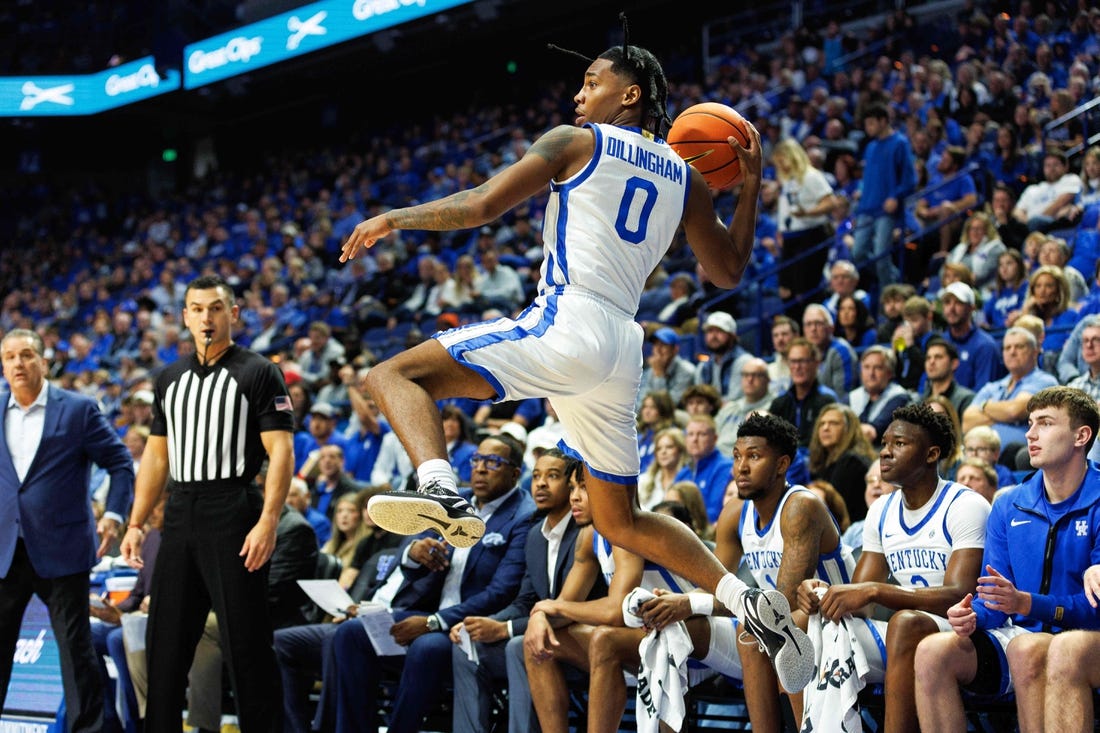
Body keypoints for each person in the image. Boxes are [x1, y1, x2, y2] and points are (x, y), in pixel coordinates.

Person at [340, 37, 811, 688]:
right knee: (623, 519)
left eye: (591, 82)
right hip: (622, 342)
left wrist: (396, 218)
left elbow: (480, 206)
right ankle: (747, 601)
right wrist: (751, 186)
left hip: (568, 317)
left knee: (392, 375)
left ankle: (444, 494)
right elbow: (727, 269)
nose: (577, 94)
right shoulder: (689, 176)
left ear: (631, 93)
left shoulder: (574, 141)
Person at [588, 413, 856, 733]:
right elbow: (721, 585)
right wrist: (682, 600)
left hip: (843, 620)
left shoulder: (801, 507)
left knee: (762, 631)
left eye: (754, 456)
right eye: (737, 456)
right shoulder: (734, 513)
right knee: (750, 632)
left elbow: (781, 603)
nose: (741, 467)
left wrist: (690, 604)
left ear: (782, 464)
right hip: (785, 624)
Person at [119, 274, 296, 733]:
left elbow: (281, 451)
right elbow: (157, 456)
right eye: (197, 309)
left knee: (247, 646)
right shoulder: (168, 378)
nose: (206, 317)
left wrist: (268, 520)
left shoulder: (258, 371)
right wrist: (137, 523)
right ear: (184, 316)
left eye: (215, 308)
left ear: (233, 314)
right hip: (180, 512)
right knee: (165, 645)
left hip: (234, 508)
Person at [914, 387, 1100, 732]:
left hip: (1083, 635)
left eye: (1045, 423)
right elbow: (995, 604)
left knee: (1036, 648)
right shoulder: (1009, 503)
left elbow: (1095, 609)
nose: (1030, 434)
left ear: (1081, 435)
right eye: (1030, 423)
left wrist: (1028, 603)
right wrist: (971, 615)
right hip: (1019, 635)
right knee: (933, 651)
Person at [796, 403, 990, 733]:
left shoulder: (966, 505)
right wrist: (824, 596)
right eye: (885, 443)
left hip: (964, 634)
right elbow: (859, 601)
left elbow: (960, 595)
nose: (885, 452)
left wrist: (875, 591)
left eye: (899, 444)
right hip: (903, 635)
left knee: (906, 622)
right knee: (802, 624)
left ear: (931, 454)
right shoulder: (881, 510)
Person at [329, 434, 536, 733]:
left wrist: (432, 622)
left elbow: (501, 592)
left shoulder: (523, 517)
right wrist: (414, 555)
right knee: (351, 633)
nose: (480, 468)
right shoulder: (455, 501)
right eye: (477, 459)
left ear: (515, 473)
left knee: (426, 648)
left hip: (473, 624)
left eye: (493, 462)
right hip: (427, 610)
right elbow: (410, 558)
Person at [0, 328, 134, 733]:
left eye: (27, 355)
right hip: (7, 548)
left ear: (44, 361)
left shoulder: (77, 409)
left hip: (62, 550)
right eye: (9, 357)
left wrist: (113, 514)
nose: (18, 364)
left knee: (76, 651)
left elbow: (121, 463)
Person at [450, 450, 601, 733]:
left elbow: (568, 608)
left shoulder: (586, 531)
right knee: (466, 642)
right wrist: (488, 624)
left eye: (553, 476)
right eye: (536, 476)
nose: (541, 484)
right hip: (541, 631)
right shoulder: (535, 535)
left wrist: (505, 629)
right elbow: (525, 602)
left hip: (579, 639)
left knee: (518, 646)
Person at [962, 327, 1059, 453]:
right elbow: (967, 422)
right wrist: (1005, 416)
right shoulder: (992, 387)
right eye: (1007, 348)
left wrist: (985, 405)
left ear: (1035, 352)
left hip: (1021, 456)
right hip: (980, 456)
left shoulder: (1045, 381)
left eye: (1019, 346)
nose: (1012, 352)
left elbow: (1014, 411)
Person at [851, 104, 917, 288]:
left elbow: (910, 179)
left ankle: (890, 291)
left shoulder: (900, 143)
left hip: (885, 211)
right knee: (857, 253)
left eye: (872, 123)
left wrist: (895, 196)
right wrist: (861, 197)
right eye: (866, 124)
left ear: (884, 121)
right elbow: (868, 178)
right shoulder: (870, 147)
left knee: (881, 254)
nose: (868, 128)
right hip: (866, 208)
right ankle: (893, 278)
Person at [773, 137, 838, 309]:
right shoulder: (788, 180)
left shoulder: (811, 176)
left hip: (810, 235)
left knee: (805, 289)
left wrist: (808, 212)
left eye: (782, 160)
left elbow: (831, 202)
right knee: (785, 289)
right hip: (790, 238)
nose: (780, 165)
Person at [807, 403, 878, 522]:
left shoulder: (852, 462)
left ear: (849, 429)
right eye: (822, 424)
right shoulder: (825, 461)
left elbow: (835, 510)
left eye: (834, 423)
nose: (825, 428)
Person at [768, 337, 839, 447]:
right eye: (793, 361)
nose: (797, 367)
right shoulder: (779, 403)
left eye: (802, 361)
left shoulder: (827, 400)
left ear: (816, 363)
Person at [940, 281, 1002, 390]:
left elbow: (983, 394)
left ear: (971, 308)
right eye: (947, 303)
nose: (951, 309)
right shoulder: (940, 341)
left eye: (958, 303)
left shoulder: (985, 346)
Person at [847, 345, 914, 445]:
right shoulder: (852, 396)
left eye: (877, 368)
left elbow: (872, 432)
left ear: (890, 373)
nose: (871, 373)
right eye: (866, 367)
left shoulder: (899, 397)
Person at [676, 415, 733, 524]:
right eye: (690, 434)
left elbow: (715, 512)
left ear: (715, 438)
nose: (694, 439)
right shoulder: (684, 472)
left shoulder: (725, 468)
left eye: (702, 434)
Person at [714, 357, 774, 453]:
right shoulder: (730, 407)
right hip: (718, 462)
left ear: (767, 379)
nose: (750, 380)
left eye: (756, 375)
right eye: (746, 375)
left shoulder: (775, 407)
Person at [1012, 151, 1083, 232]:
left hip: (1053, 224)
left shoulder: (1070, 179)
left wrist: (1035, 221)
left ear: (1065, 167)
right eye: (1048, 165)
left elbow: (1060, 203)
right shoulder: (1032, 189)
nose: (1051, 168)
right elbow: (1017, 211)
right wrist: (1027, 224)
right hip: (1029, 226)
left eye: (1055, 165)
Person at [694, 311, 753, 403]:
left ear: (732, 336)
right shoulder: (703, 366)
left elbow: (735, 401)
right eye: (710, 331)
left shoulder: (745, 362)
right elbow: (698, 398)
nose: (713, 336)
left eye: (719, 331)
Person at [802, 303, 858, 397]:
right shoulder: (804, 354)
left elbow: (843, 397)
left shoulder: (841, 352)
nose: (813, 329)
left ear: (831, 328)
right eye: (808, 324)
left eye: (818, 323)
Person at [636, 327, 695, 411]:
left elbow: (669, 405)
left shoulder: (687, 371)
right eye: (655, 345)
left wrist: (659, 375)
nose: (658, 350)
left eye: (663, 345)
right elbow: (641, 400)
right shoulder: (650, 370)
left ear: (675, 349)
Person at [919, 337, 976, 418]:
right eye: (928, 358)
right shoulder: (920, 400)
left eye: (938, 357)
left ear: (954, 364)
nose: (931, 362)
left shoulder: (966, 399)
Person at [637, 426, 689, 512]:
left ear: (680, 450)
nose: (663, 452)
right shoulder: (643, 480)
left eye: (669, 447)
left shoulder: (689, 479)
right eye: (659, 449)